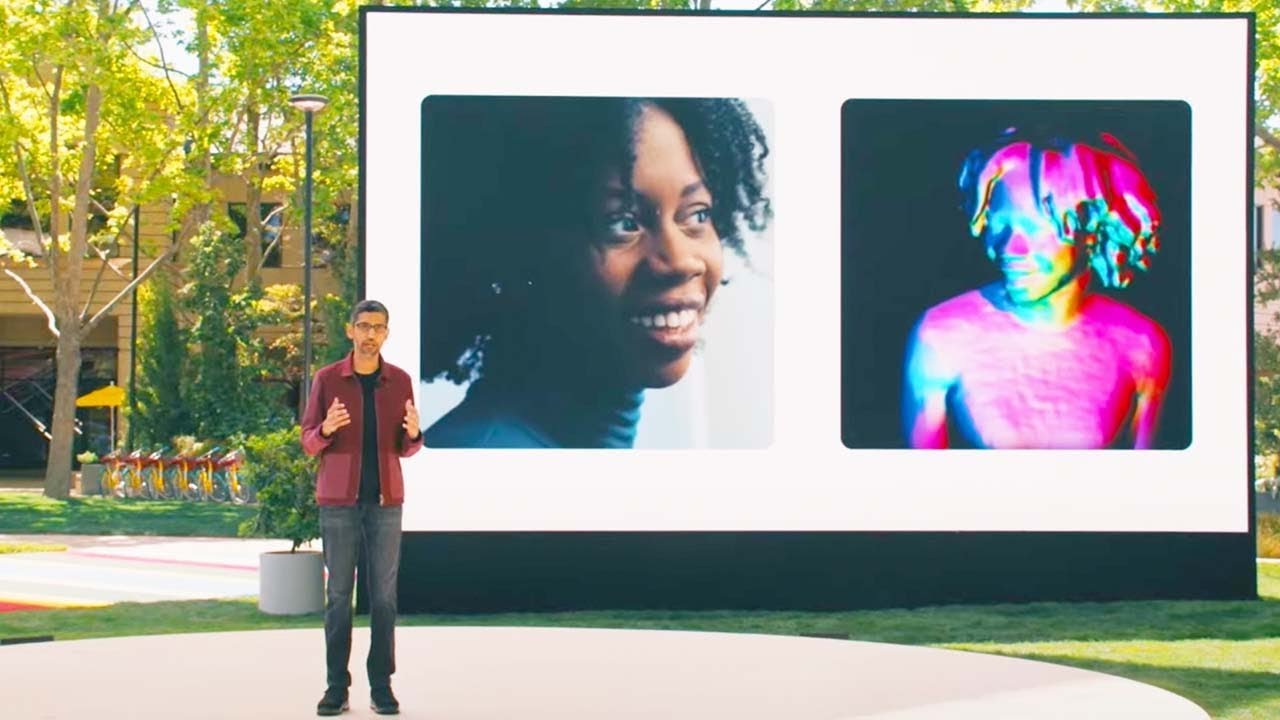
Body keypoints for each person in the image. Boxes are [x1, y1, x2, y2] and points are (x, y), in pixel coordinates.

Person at [420, 96, 772, 448]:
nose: (681, 260)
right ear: (521, 248)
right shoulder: (488, 466)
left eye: (697, 214)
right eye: (623, 223)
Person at [902, 128, 1172, 449]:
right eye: (1000, 224)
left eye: (1034, 229)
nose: (1009, 248)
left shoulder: (1141, 346)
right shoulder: (941, 336)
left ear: (1090, 230)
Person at [301, 299, 422, 715]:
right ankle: (337, 686)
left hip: (386, 503)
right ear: (350, 330)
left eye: (379, 327)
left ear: (387, 333)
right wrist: (326, 429)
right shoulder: (328, 379)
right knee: (338, 596)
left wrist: (414, 433)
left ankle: (381, 685)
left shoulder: (400, 381)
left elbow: (408, 447)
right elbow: (308, 441)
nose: (371, 334)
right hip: (339, 503)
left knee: (385, 597)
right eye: (364, 326)